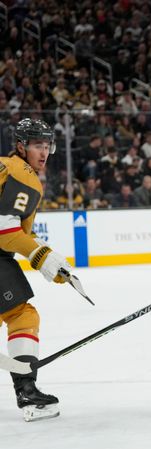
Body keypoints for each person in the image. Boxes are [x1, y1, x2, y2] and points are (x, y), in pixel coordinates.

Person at [0, 118, 73, 421]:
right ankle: (27, 391)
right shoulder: (24, 175)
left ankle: (26, 387)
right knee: (22, 315)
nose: (43, 152)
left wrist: (38, 251)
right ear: (21, 146)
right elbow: (5, 231)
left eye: (46, 146)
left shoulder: (3, 165)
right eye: (36, 145)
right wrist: (41, 256)